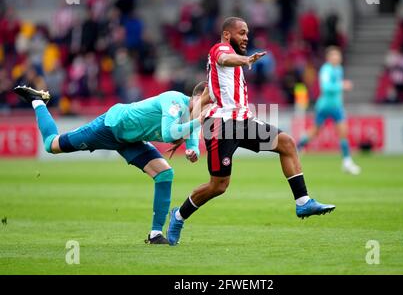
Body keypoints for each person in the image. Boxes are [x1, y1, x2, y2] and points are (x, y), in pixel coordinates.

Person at [166, 17, 335, 246]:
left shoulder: (219, 74)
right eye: (242, 33)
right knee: (218, 186)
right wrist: (245, 59)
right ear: (227, 35)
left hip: (243, 122)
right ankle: (178, 215)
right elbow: (226, 59)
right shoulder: (220, 50)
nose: (246, 37)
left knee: (286, 143)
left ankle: (303, 201)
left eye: (247, 33)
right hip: (220, 128)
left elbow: (205, 96)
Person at [13, 82, 209, 244]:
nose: (209, 109)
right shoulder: (174, 101)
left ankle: (155, 234)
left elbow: (191, 139)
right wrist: (200, 120)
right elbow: (169, 133)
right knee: (52, 145)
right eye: (208, 103)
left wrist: (193, 151)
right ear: (197, 97)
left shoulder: (191, 117)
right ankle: (38, 101)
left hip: (131, 141)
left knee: (165, 173)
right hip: (111, 126)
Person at [296, 46, 361, 175]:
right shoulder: (326, 69)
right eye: (334, 55)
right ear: (328, 58)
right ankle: (297, 147)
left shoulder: (339, 69)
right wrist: (342, 85)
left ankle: (347, 162)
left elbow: (337, 91)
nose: (337, 57)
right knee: (314, 132)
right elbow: (325, 87)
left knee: (343, 132)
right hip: (324, 106)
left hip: (336, 107)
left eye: (338, 55)